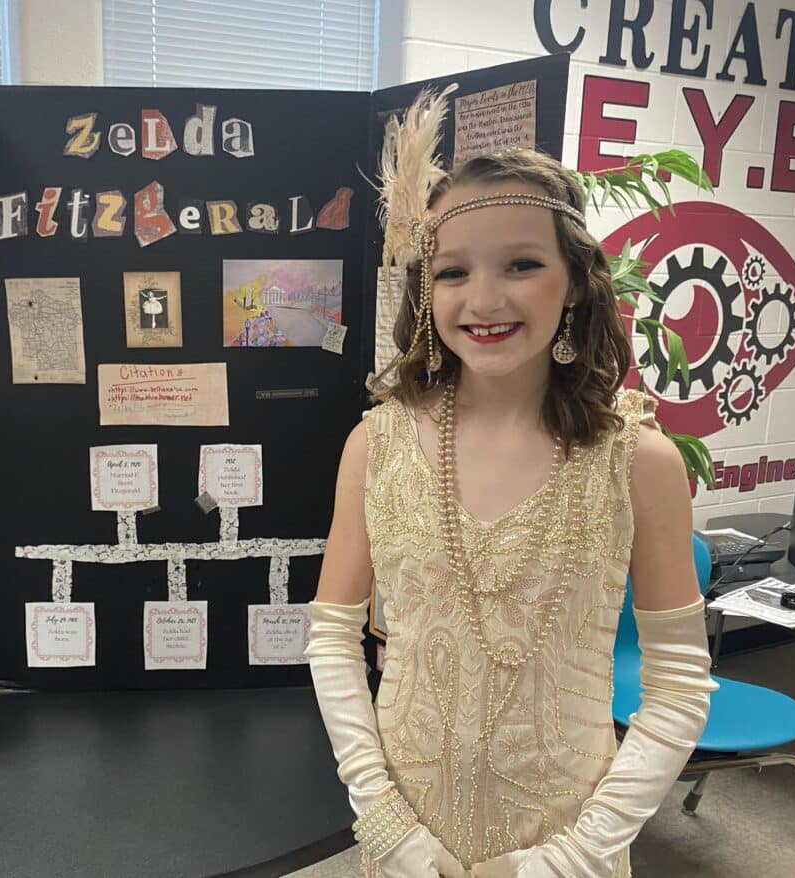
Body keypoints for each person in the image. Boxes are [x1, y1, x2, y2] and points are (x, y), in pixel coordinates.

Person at [305, 86, 716, 878]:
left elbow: (677, 685)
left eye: (522, 265)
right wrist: (385, 823)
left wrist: (572, 858)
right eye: (453, 271)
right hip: (407, 834)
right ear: (427, 289)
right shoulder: (376, 446)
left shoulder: (639, 462)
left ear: (576, 280)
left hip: (565, 842)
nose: (484, 299)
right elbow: (332, 637)